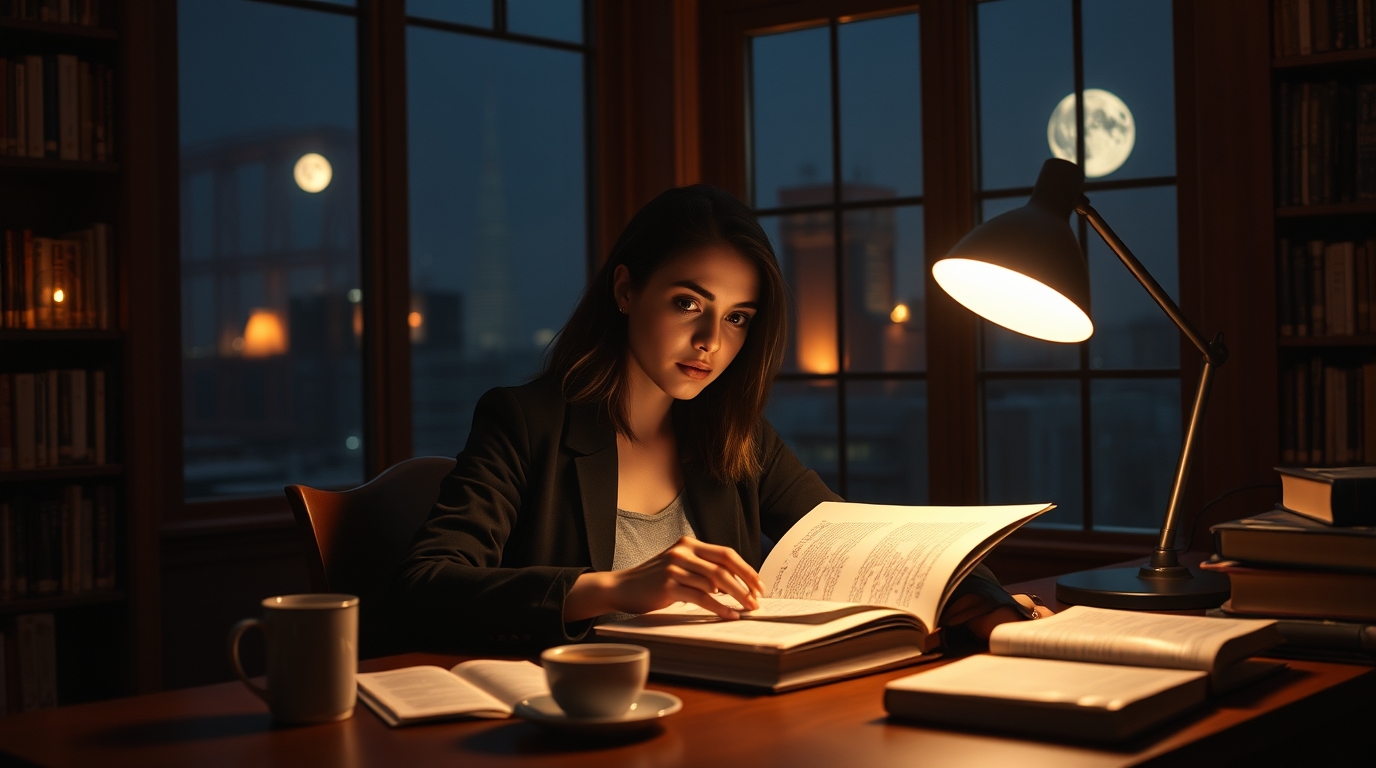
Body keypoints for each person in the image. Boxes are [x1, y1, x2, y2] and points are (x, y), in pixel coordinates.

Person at [400, 184, 1049, 648]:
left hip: (719, 715)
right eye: (689, 303)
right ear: (626, 291)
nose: (713, 339)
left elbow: (862, 545)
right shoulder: (523, 421)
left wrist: (989, 609)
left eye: (738, 316)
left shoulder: (737, 439)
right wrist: (616, 588)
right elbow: (428, 587)